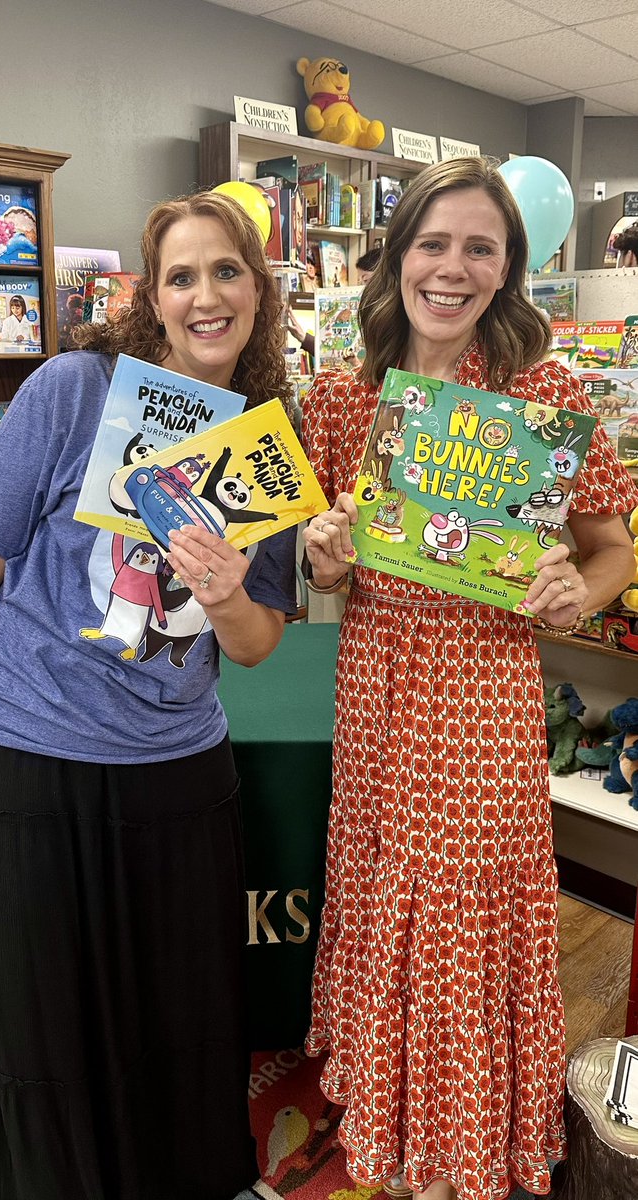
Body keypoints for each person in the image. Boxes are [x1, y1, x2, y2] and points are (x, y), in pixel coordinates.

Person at [0, 189, 298, 1200]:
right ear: (149, 299)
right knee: (28, 1028)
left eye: (226, 271)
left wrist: (221, 589)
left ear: (258, 290)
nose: (205, 296)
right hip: (21, 756)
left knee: (173, 1025)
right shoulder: (75, 389)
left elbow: (254, 643)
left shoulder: (265, 439)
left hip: (174, 772)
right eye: (180, 276)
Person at [301, 156, 638, 1200]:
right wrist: (322, 550)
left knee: (459, 908)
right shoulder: (340, 400)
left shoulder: (541, 394)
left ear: (509, 267)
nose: (452, 269)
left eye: (479, 248)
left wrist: (570, 594)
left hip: (480, 689)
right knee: (380, 889)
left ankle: (464, 1141)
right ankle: (391, 1122)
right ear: (396, 255)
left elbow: (611, 548)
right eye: (432, 243)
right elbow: (316, 569)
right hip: (372, 683)